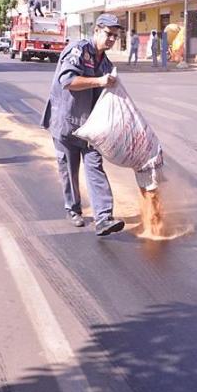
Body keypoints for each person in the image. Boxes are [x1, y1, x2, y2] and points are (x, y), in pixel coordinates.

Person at [41, 13, 126, 237]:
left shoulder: (106, 63)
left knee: (95, 167)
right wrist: (99, 81)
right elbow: (67, 80)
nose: (111, 39)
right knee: (69, 170)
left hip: (89, 127)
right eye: (108, 34)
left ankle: (103, 217)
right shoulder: (78, 50)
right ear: (97, 30)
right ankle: (73, 209)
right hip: (65, 123)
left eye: (115, 36)